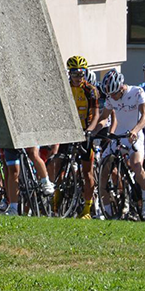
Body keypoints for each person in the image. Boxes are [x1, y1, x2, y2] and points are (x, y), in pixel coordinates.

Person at [100, 69, 145, 217]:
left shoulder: (137, 92)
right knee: (103, 170)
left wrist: (135, 130)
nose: (113, 98)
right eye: (110, 96)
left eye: (114, 94)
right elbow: (104, 118)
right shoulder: (111, 98)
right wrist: (92, 131)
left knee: (136, 165)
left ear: (121, 87)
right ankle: (107, 209)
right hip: (118, 136)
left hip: (134, 135)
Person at [60, 55, 101, 218]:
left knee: (87, 172)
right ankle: (56, 196)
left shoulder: (90, 90)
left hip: (85, 131)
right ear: (69, 74)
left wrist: (90, 131)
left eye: (81, 73)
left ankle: (87, 208)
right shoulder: (65, 87)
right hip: (69, 131)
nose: (78, 77)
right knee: (58, 161)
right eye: (75, 74)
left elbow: (96, 114)